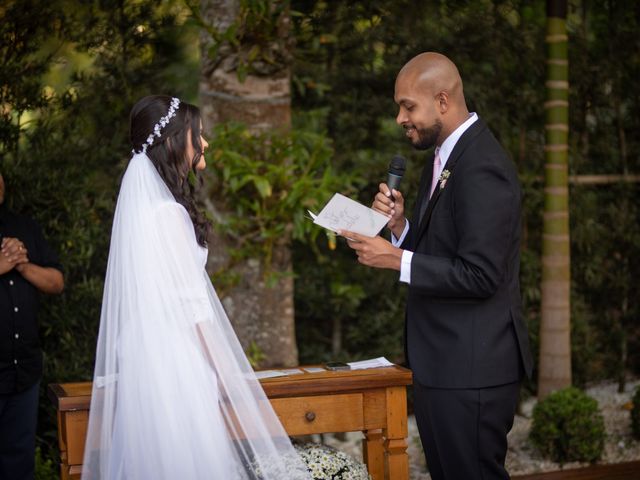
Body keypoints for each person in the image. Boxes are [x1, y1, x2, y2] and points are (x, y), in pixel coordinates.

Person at [82, 95, 310, 479]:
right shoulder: (167, 214)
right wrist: (227, 374)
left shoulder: (143, 213)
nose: (205, 144)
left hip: (147, 358)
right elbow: (192, 307)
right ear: (173, 140)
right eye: (197, 135)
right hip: (177, 363)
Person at [340, 53, 533, 480]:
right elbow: (444, 254)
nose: (399, 118)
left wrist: (394, 258)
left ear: (443, 101)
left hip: (472, 369)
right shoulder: (444, 156)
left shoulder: (483, 166)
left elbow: (482, 275)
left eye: (408, 106)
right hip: (443, 364)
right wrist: (400, 228)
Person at [0, 171, 64, 480]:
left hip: (24, 372)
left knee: (19, 464)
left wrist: (22, 265)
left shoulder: (25, 227)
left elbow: (56, 282)